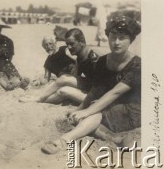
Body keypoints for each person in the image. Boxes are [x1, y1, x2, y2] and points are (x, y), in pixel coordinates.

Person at [41, 14, 141, 154]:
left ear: (131, 40)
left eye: (122, 38)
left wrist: (87, 111)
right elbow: (95, 90)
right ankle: (114, 138)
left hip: (132, 110)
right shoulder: (103, 61)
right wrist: (80, 109)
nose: (116, 42)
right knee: (79, 116)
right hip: (111, 103)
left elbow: (115, 92)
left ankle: (63, 140)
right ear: (108, 38)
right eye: (113, 37)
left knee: (93, 114)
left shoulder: (137, 64)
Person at [20, 28, 99, 104]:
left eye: (72, 44)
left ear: (81, 42)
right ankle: (38, 99)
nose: (69, 47)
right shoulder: (79, 56)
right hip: (90, 85)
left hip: (98, 95)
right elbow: (75, 76)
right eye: (67, 44)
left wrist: (83, 106)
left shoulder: (92, 56)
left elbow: (103, 84)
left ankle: (38, 99)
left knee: (63, 86)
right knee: (63, 86)